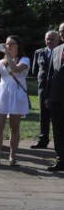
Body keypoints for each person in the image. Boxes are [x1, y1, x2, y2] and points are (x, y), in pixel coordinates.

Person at [0, 35, 30, 167]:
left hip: (17, 94)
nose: (8, 46)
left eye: (11, 44)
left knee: (14, 127)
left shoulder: (25, 59)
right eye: (6, 44)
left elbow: (16, 69)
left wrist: (8, 55)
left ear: (18, 45)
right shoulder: (3, 61)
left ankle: (12, 157)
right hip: (3, 94)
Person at [30, 30, 59, 149]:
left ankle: (59, 142)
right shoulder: (39, 52)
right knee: (43, 115)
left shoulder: (61, 52)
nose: (49, 41)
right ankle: (43, 139)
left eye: (52, 39)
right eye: (48, 39)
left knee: (57, 116)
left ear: (58, 40)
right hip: (42, 88)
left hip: (57, 88)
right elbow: (35, 70)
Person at [45, 22, 64, 171]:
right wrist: (47, 96)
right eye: (61, 31)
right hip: (56, 97)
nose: (63, 33)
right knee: (58, 129)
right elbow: (50, 75)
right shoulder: (57, 50)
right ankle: (60, 159)